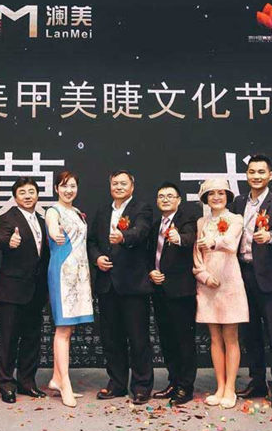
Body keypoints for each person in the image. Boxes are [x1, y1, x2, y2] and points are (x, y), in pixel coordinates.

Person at [87, 170, 154, 405]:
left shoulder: (141, 208)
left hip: (133, 284)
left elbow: (141, 231)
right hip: (107, 285)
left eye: (123, 183)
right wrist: (97, 258)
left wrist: (123, 237)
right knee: (111, 338)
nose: (118, 187)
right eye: (115, 183)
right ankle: (116, 383)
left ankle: (141, 386)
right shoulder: (102, 211)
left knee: (138, 338)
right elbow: (92, 241)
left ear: (132, 186)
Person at [231, 154, 272, 409]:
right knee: (250, 332)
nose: (256, 176)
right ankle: (256, 381)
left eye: (261, 172)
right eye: (252, 172)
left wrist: (271, 236)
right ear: (246, 175)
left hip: (268, 276)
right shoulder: (238, 202)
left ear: (270, 175)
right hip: (241, 273)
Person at [192, 179, 248, 409]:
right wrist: (204, 276)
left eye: (221, 193)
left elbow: (230, 243)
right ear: (205, 198)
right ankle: (220, 386)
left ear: (227, 196)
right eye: (211, 193)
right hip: (208, 285)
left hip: (229, 282)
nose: (216, 197)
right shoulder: (201, 222)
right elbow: (196, 254)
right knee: (215, 338)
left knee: (230, 337)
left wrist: (213, 241)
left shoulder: (236, 219)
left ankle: (230, 389)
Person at [0, 177, 50, 404]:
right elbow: (1, 239)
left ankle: (27, 382)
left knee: (32, 339)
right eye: (22, 192)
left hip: (36, 291)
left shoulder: (42, 220)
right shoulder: (7, 218)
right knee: (8, 339)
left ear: (37, 195)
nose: (28, 196)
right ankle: (6, 383)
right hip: (12, 290)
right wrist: (10, 243)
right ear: (15, 197)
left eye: (31, 191)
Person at [45, 170, 94, 407]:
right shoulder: (52, 211)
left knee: (69, 328)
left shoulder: (77, 212)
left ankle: (56, 378)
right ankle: (65, 383)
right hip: (62, 271)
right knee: (63, 329)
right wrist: (55, 233)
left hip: (80, 273)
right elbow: (53, 229)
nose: (69, 190)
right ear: (56, 188)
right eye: (64, 186)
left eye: (72, 186)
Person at [148, 182, 199, 406]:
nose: (165, 199)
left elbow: (189, 238)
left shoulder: (187, 220)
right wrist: (151, 272)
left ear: (179, 200)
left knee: (183, 340)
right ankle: (173, 381)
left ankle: (185, 386)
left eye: (170, 196)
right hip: (159, 290)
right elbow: (148, 254)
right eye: (161, 196)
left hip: (181, 291)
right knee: (167, 339)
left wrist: (179, 238)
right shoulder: (155, 225)